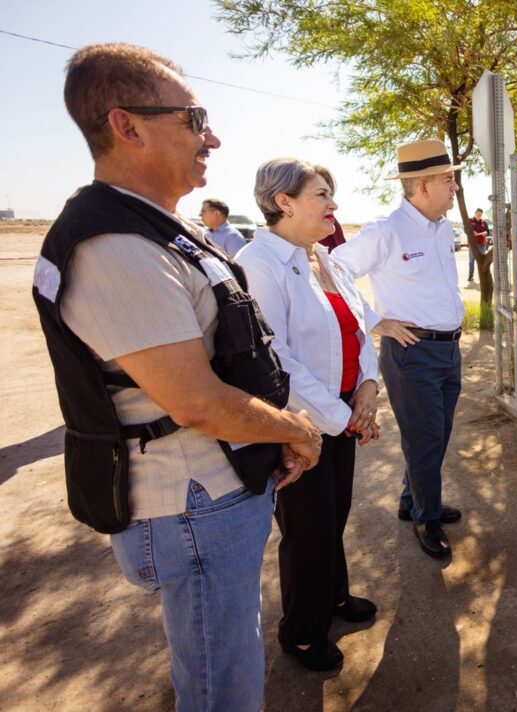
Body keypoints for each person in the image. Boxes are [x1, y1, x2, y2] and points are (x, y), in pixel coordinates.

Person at [31, 44, 322, 710]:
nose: (211, 137)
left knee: (221, 658)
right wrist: (297, 430)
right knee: (225, 682)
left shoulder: (159, 229)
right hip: (192, 505)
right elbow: (195, 401)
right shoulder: (114, 246)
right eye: (194, 119)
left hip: (216, 492)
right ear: (127, 126)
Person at [237, 158, 382, 671]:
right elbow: (275, 359)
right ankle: (301, 630)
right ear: (284, 202)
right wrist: (342, 418)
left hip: (343, 412)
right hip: (299, 425)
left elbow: (360, 326)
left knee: (333, 517)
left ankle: (333, 599)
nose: (333, 204)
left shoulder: (325, 256)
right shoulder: (259, 263)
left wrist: (366, 387)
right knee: (307, 531)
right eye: (322, 194)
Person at [332, 139, 466, 559]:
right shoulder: (386, 230)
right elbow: (334, 268)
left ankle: (414, 500)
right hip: (412, 353)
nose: (455, 187)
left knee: (438, 434)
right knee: (425, 438)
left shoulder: (443, 228)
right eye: (449, 179)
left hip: (448, 350)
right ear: (422, 185)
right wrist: (375, 321)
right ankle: (426, 519)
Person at [468, 207, 488, 283]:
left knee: (482, 261)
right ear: (475, 213)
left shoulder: (483, 222)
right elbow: (466, 230)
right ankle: (470, 277)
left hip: (481, 244)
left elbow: (487, 232)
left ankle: (483, 276)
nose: (479, 216)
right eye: (478, 214)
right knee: (471, 261)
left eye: (480, 215)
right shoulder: (470, 221)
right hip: (472, 245)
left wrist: (482, 233)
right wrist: (473, 232)